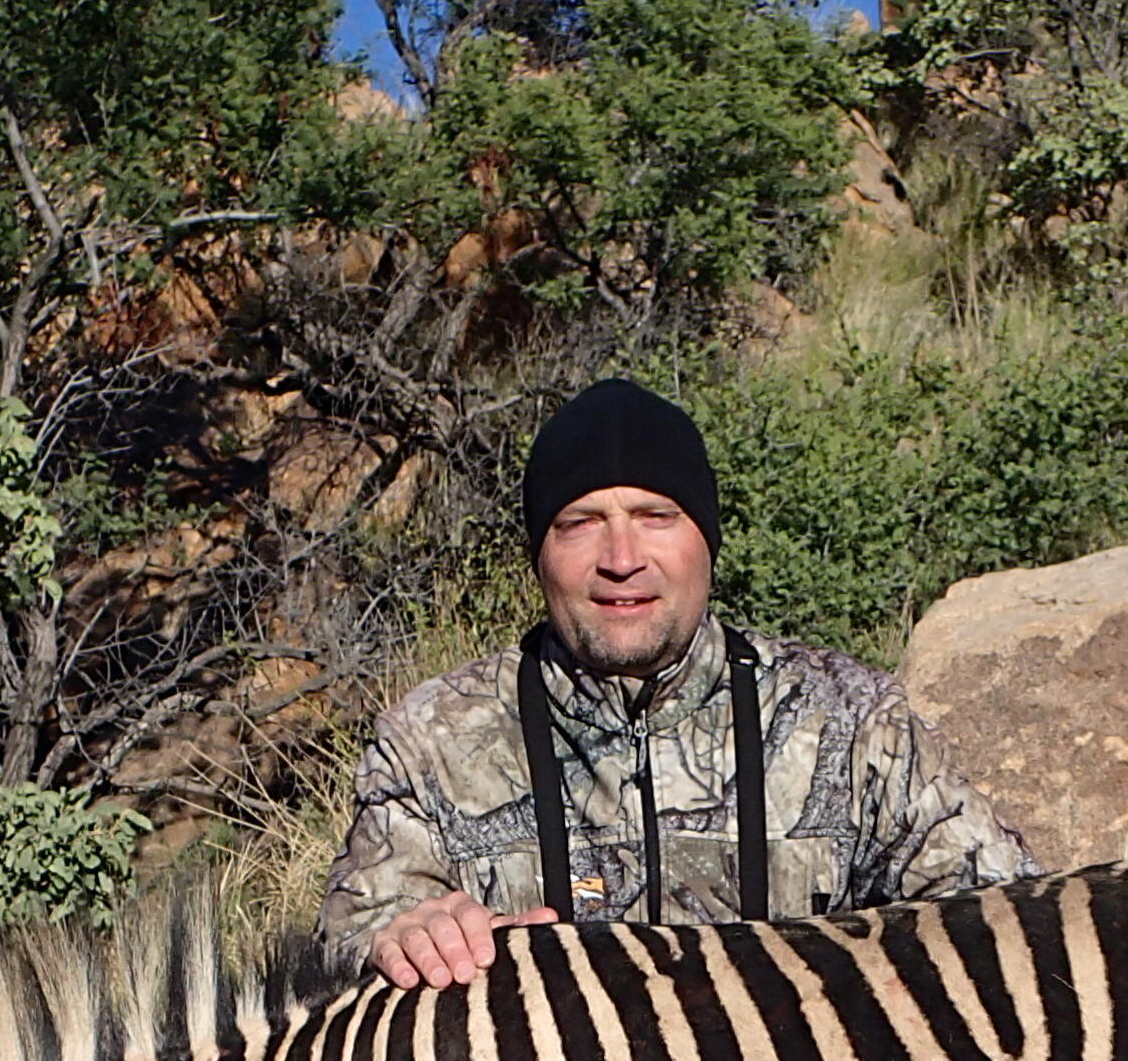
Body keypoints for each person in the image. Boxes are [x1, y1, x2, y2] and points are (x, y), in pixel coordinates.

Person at [316, 378, 1038, 987]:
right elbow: (351, 937)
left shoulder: (849, 719)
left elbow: (1007, 913)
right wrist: (404, 935)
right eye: (581, 522)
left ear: (707, 542)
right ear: (539, 555)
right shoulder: (432, 739)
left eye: (656, 517)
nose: (621, 557)